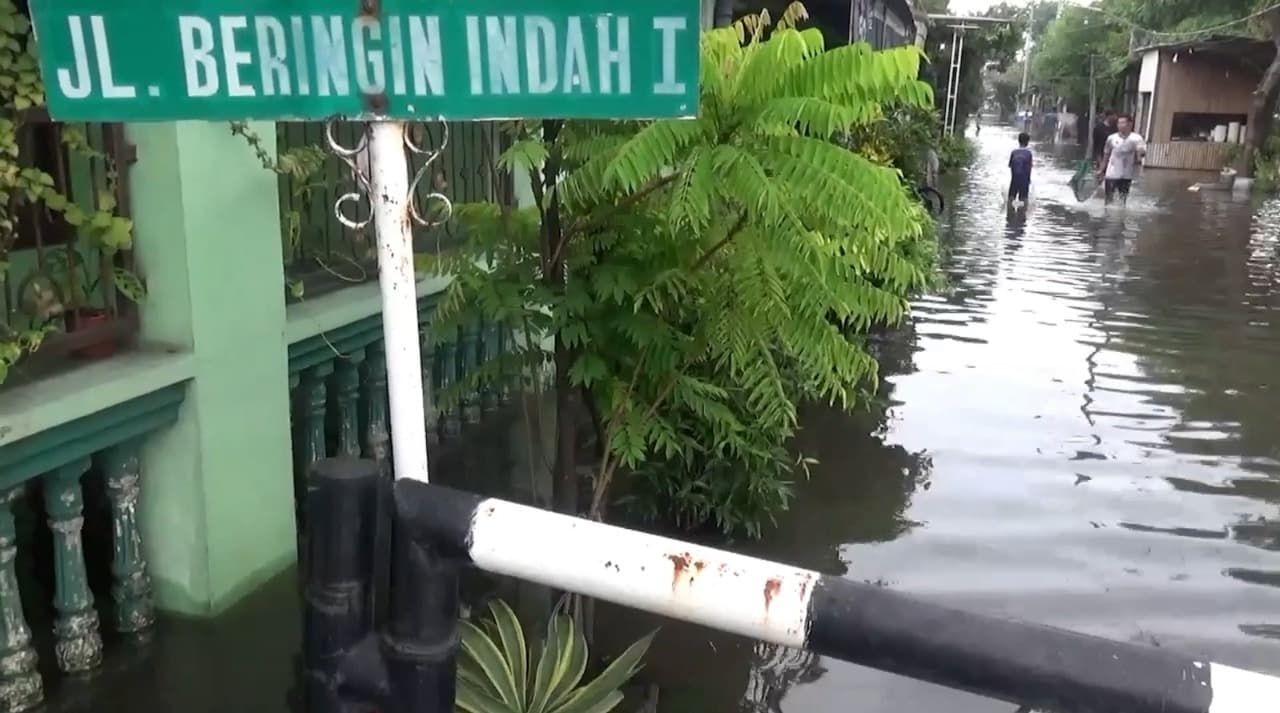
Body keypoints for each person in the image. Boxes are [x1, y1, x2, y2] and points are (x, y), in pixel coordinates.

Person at [1099, 114, 1146, 205]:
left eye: (1123, 123)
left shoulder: (1136, 138)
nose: (1120, 125)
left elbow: (1142, 153)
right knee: (1108, 200)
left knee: (1122, 201)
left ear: (1130, 124)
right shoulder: (1111, 138)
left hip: (1126, 174)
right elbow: (1106, 155)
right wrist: (1101, 170)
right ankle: (1107, 217)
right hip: (1111, 173)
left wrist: (1140, 153)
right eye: (1119, 123)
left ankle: (1120, 217)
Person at [1008, 132, 1033, 206]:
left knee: (1011, 199)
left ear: (1018, 141)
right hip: (1024, 179)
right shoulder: (1028, 153)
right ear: (1027, 142)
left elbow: (1010, 166)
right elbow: (1029, 168)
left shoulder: (1014, 152)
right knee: (1024, 200)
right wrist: (1028, 180)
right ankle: (1022, 214)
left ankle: (1009, 214)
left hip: (1014, 179)